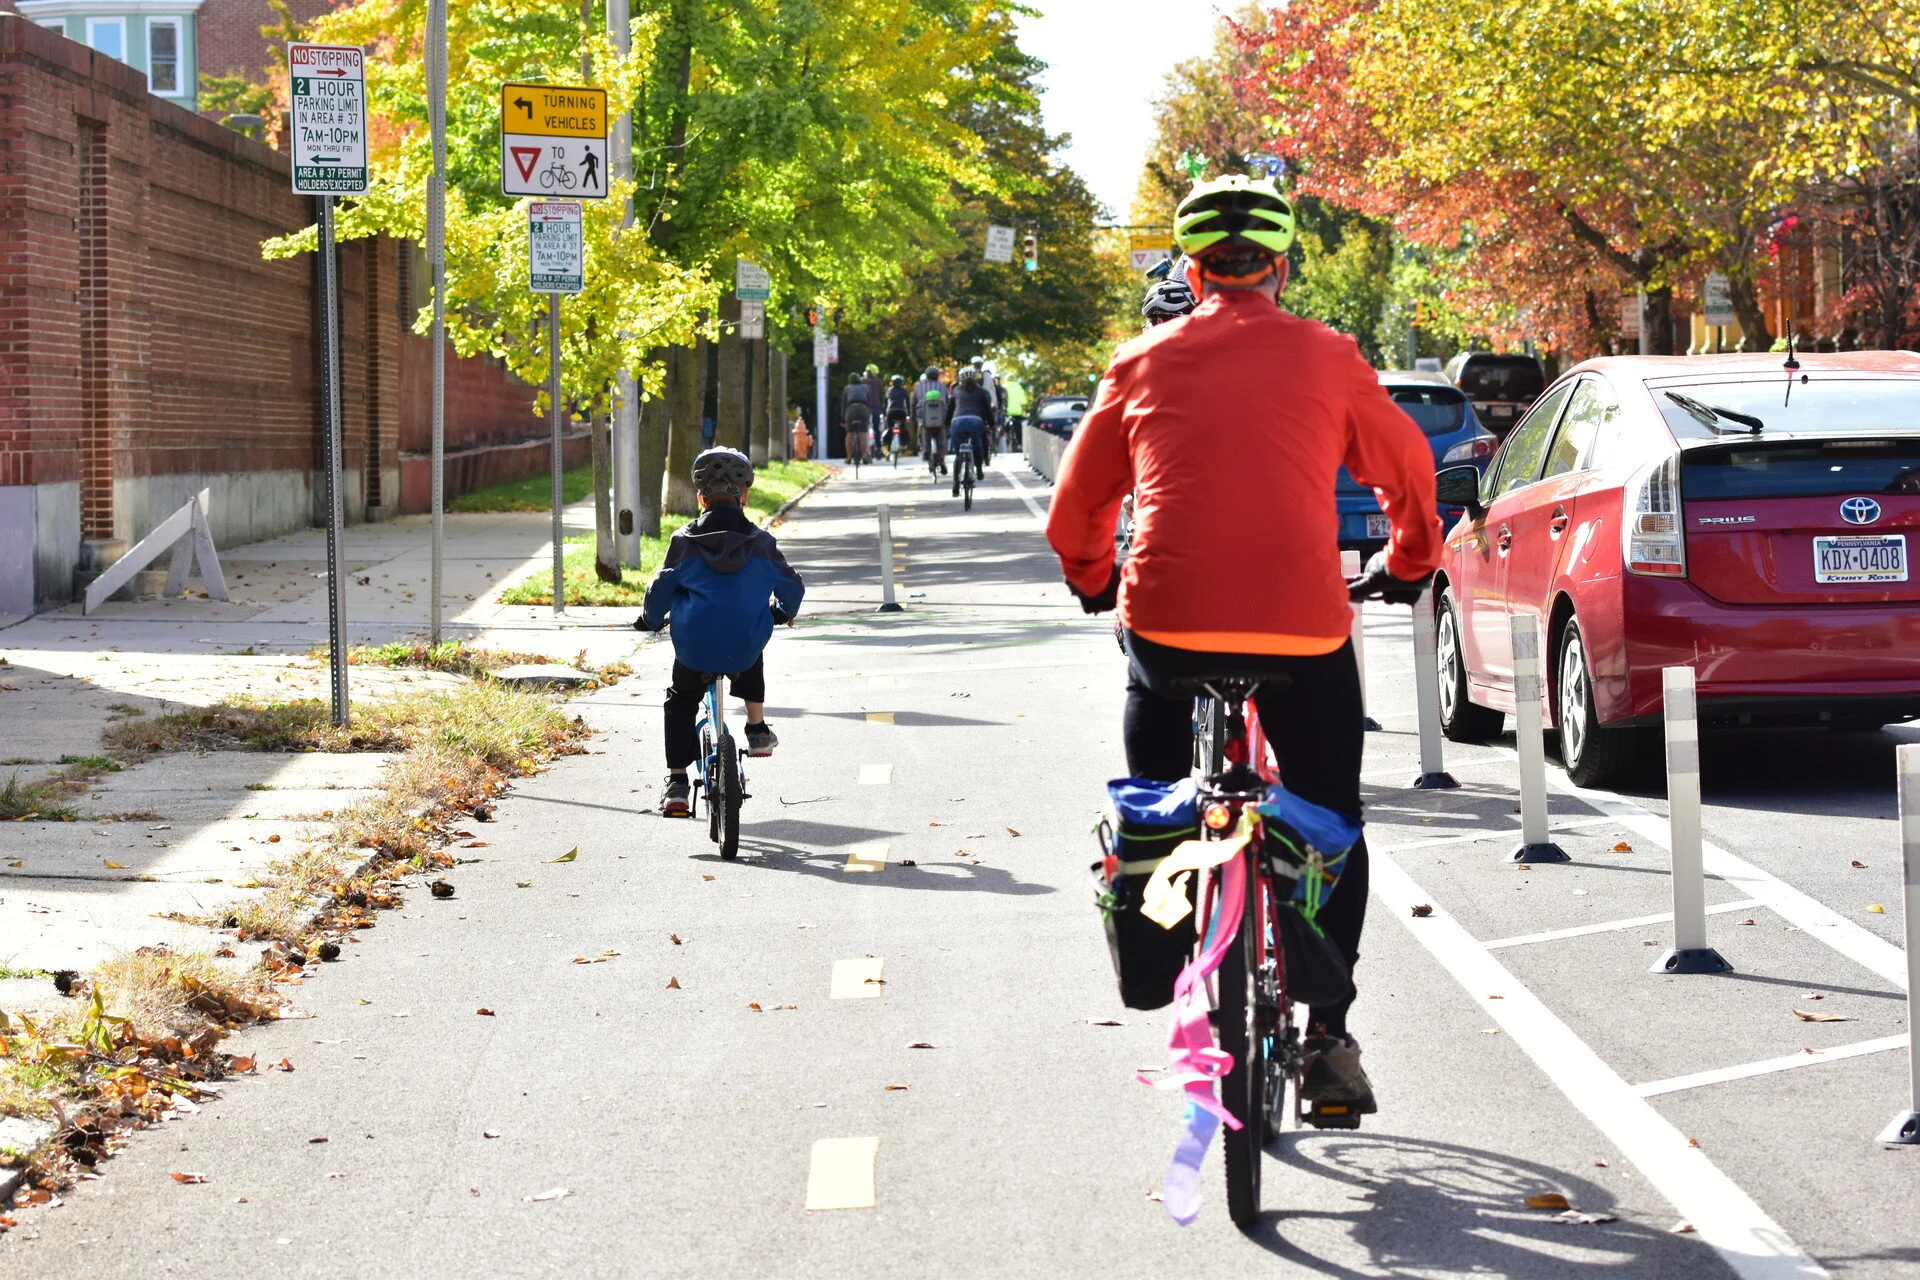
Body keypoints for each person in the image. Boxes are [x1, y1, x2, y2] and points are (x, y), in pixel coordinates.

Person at [1044, 174, 1443, 1123]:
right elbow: (1408, 468)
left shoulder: (1139, 362)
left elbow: (1078, 508)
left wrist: (1095, 576)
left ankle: (1168, 907)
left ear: (1192, 267)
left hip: (1170, 627)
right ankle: (1330, 1036)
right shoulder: (1330, 355)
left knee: (1158, 794)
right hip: (1303, 626)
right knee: (1332, 815)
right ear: (1283, 265)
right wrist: (1409, 558)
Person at [637, 448, 805, 817]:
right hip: (744, 648)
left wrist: (650, 620)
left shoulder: (684, 543)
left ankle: (678, 785)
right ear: (744, 496)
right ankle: (757, 729)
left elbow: (660, 590)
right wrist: (783, 612)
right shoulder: (762, 543)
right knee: (752, 637)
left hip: (694, 648)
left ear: (700, 498)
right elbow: (792, 585)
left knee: (680, 700)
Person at [946, 365, 996, 496]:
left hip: (957, 423)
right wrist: (991, 424)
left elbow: (950, 410)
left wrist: (946, 424)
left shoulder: (955, 391)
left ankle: (955, 485)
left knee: (958, 456)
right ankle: (979, 469)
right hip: (976, 421)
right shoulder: (982, 392)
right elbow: (987, 410)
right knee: (978, 443)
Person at [913, 365, 949, 474]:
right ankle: (942, 459)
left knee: (923, 428)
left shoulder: (919, 387)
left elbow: (913, 402)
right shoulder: (942, 386)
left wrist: (913, 416)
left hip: (924, 416)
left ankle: (926, 449)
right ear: (937, 376)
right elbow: (947, 401)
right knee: (942, 435)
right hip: (940, 416)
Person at [842, 374, 874, 464]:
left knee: (849, 433)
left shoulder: (847, 388)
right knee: (863, 433)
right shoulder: (866, 387)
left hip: (851, 410)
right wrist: (869, 415)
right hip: (863, 409)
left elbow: (844, 404)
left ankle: (848, 457)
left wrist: (843, 419)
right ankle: (864, 456)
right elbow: (869, 403)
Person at [884, 375, 913, 455]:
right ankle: (903, 443)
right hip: (901, 412)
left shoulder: (889, 391)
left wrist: (884, 413)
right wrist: (909, 415)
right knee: (903, 428)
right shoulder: (904, 391)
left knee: (890, 428)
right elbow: (908, 403)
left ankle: (888, 444)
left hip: (891, 412)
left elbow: (885, 403)